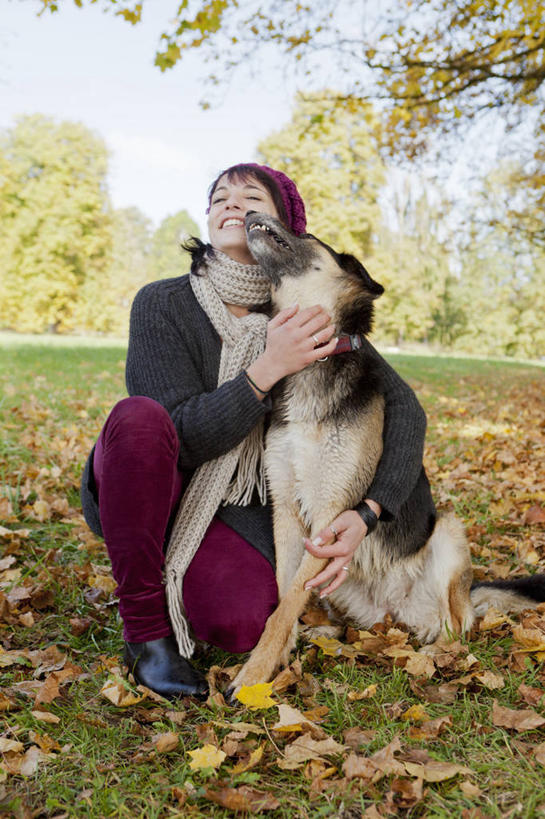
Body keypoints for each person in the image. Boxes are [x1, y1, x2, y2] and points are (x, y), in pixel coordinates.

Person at [80, 163, 427, 700]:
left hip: (235, 504)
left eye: (251, 196)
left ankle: (187, 573)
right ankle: (146, 633)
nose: (231, 204)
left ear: (284, 228)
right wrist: (267, 368)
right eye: (219, 197)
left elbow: (406, 408)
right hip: (154, 482)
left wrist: (371, 511)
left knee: (240, 624)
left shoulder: (305, 310)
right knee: (140, 418)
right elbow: (179, 436)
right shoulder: (162, 302)